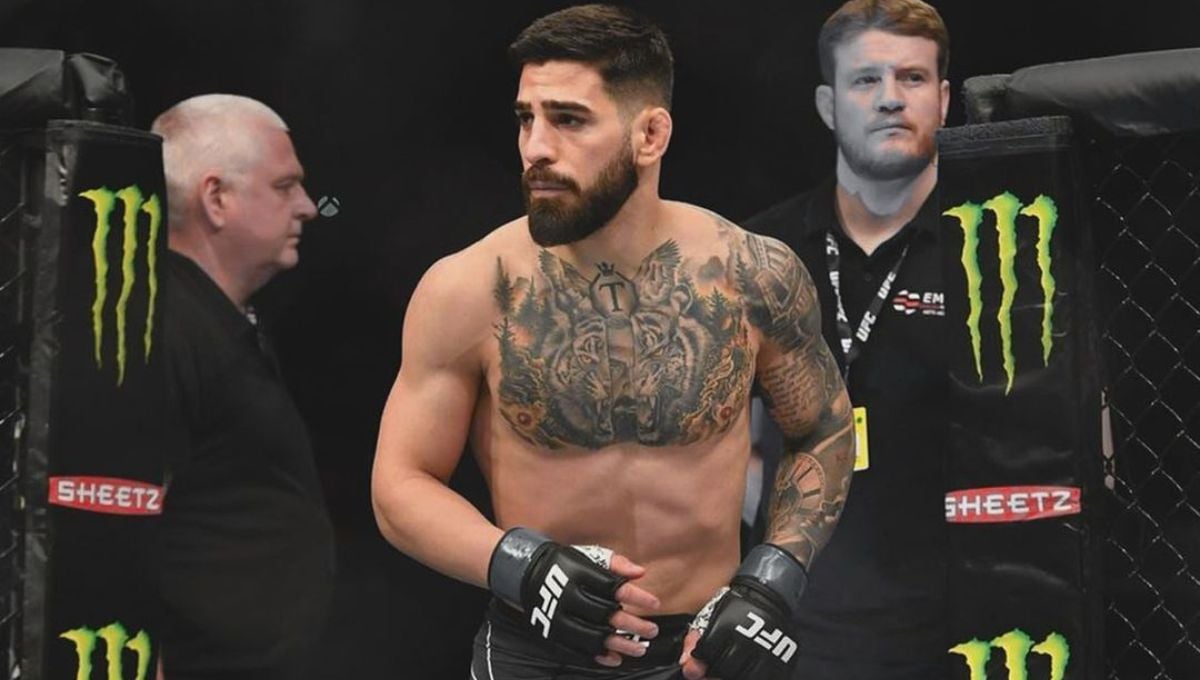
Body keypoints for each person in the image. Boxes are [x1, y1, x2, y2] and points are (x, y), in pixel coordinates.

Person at [370, 5, 854, 680]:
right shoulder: (471, 288)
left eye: (568, 119)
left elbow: (824, 429)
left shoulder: (751, 274)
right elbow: (399, 485)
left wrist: (772, 580)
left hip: (705, 649)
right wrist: (520, 564)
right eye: (526, 119)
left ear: (650, 134)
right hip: (537, 650)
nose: (536, 147)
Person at [744, 1, 951, 678]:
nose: (891, 98)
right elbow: (719, 442)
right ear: (829, 106)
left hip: (967, 630)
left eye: (912, 78)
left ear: (944, 99)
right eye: (866, 80)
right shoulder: (760, 251)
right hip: (803, 633)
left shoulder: (992, 244)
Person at [152, 94, 335, 679]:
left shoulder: (219, 319)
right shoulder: (163, 328)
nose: (307, 206)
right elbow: (112, 535)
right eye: (285, 186)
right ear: (216, 198)